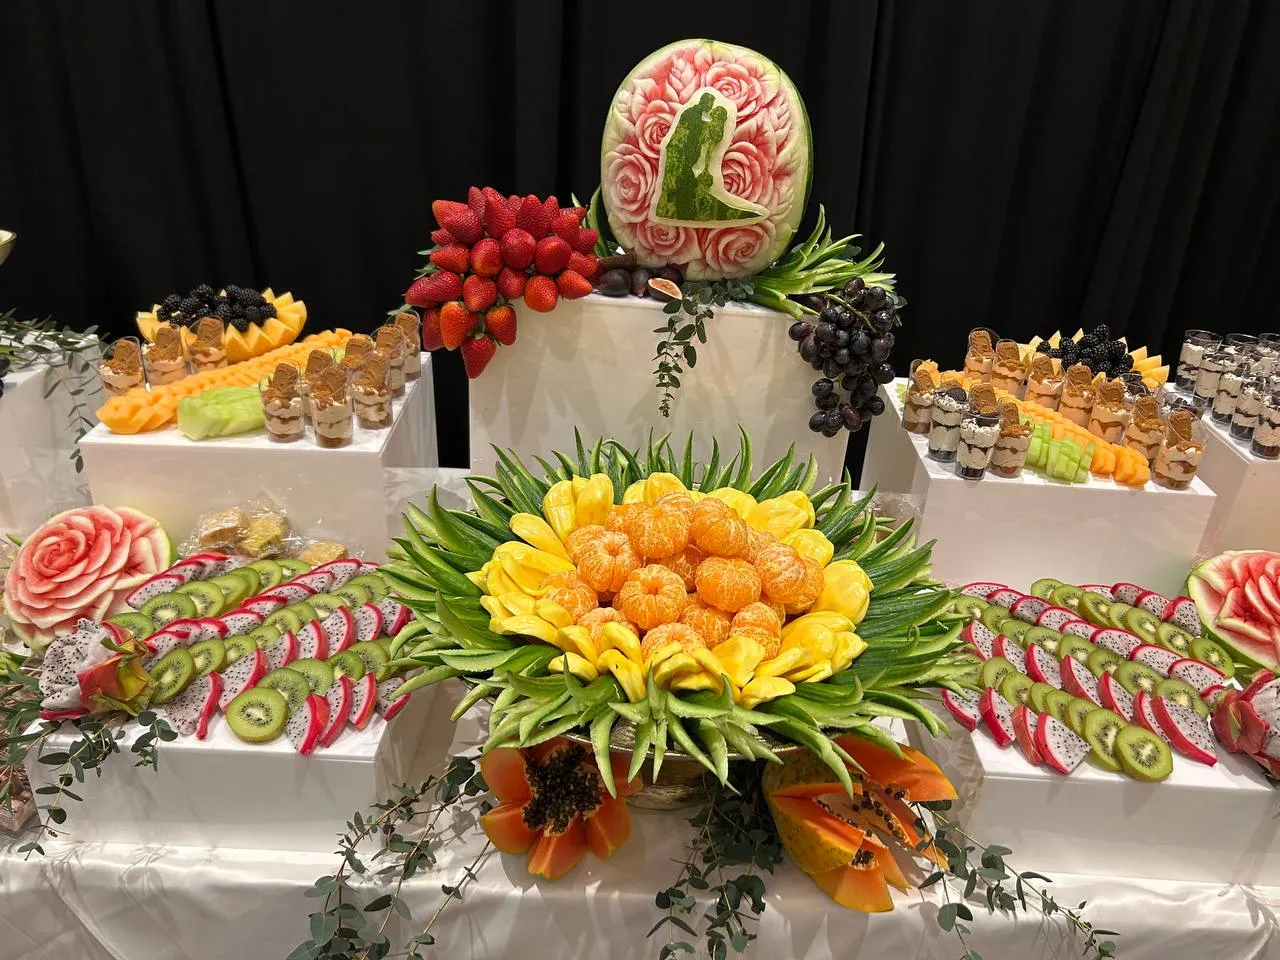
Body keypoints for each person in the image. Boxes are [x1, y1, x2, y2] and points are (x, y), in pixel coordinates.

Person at [653, 92, 763, 224]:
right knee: (674, 183)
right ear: (704, 102)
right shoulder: (691, 114)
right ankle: (673, 208)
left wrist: (717, 124)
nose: (710, 109)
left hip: (685, 158)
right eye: (709, 105)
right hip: (677, 155)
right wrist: (713, 124)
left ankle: (681, 207)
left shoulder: (698, 117)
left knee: (684, 182)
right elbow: (693, 133)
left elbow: (708, 139)